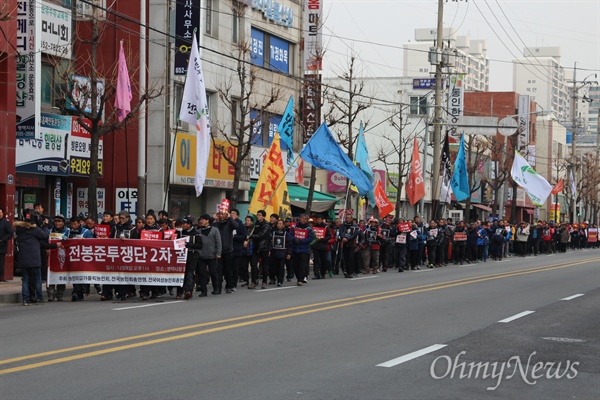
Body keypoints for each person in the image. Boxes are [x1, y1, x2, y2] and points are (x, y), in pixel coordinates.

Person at [14, 213, 62, 305]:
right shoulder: (34, 230)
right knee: (37, 278)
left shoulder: (19, 229)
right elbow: (44, 235)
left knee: (25, 279)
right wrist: (44, 226)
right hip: (34, 258)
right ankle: (39, 298)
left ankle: (25, 299)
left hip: (23, 258)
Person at [213, 209, 239, 294]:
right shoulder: (216, 224)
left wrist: (230, 218)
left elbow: (236, 226)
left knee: (228, 270)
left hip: (228, 250)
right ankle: (218, 288)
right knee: (218, 270)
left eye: (223, 214)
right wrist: (213, 218)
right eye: (220, 214)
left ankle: (229, 285)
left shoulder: (229, 223)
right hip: (218, 251)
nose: (221, 215)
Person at [68, 216, 93, 301]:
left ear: (79, 223)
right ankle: (76, 292)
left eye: (74, 224)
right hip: (73, 256)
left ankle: (79, 292)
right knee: (75, 274)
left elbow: (92, 242)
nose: (73, 226)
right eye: (71, 224)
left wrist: (84, 240)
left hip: (83, 257)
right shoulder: (68, 231)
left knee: (81, 275)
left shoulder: (86, 231)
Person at [178, 216, 203, 299]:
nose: (183, 225)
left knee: (189, 273)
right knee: (181, 273)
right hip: (181, 255)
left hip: (192, 255)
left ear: (189, 224)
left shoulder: (196, 233)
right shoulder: (180, 233)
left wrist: (190, 245)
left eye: (184, 223)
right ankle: (179, 291)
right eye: (182, 223)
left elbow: (200, 245)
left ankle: (188, 291)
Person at [197, 214, 222, 295]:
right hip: (201, 255)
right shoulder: (199, 231)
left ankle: (216, 288)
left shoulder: (215, 230)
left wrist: (218, 253)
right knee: (202, 274)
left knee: (213, 273)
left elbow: (218, 242)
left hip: (212, 255)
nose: (201, 221)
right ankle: (204, 291)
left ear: (207, 220)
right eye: (200, 219)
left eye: (203, 219)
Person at [47, 215, 70, 301]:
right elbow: (45, 242)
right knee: (50, 275)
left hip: (63, 256)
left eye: (59, 221)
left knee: (61, 275)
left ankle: (60, 294)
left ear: (63, 222)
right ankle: (50, 294)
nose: (57, 223)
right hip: (51, 256)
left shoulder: (68, 231)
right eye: (56, 221)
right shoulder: (49, 231)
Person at [249, 210, 271, 289]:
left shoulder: (266, 225)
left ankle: (264, 282)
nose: (258, 216)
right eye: (257, 215)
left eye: (260, 215)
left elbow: (261, 235)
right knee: (254, 265)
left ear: (264, 216)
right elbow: (251, 232)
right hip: (256, 248)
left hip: (264, 248)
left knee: (264, 266)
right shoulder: (255, 224)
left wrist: (251, 236)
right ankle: (254, 281)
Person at [311, 215, 334, 279]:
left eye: (320, 219)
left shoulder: (326, 227)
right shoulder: (314, 227)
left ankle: (322, 273)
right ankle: (316, 274)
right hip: (316, 246)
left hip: (323, 246)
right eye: (317, 219)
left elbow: (329, 236)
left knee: (323, 261)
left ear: (322, 220)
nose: (319, 221)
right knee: (316, 261)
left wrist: (322, 239)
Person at [269, 220, 290, 287]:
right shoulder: (273, 233)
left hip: (282, 252)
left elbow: (289, 244)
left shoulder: (286, 234)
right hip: (274, 252)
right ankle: (272, 278)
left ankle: (280, 280)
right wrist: (269, 250)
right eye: (278, 223)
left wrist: (289, 253)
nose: (279, 225)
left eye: (281, 224)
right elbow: (269, 242)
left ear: (283, 225)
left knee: (281, 267)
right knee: (272, 266)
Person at [340, 212, 360, 278]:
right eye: (346, 218)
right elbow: (341, 231)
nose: (347, 219)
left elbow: (355, 234)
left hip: (352, 244)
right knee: (345, 258)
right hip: (345, 244)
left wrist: (348, 239)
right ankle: (347, 271)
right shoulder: (343, 225)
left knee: (351, 258)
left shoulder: (355, 226)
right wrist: (343, 237)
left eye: (349, 218)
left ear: (351, 219)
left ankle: (351, 271)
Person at [0, 208, 12, 282]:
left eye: (0, 212)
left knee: (0, 263)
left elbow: (10, 233)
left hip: (1, 246)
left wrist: (2, 240)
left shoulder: (6, 223)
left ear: (3, 213)